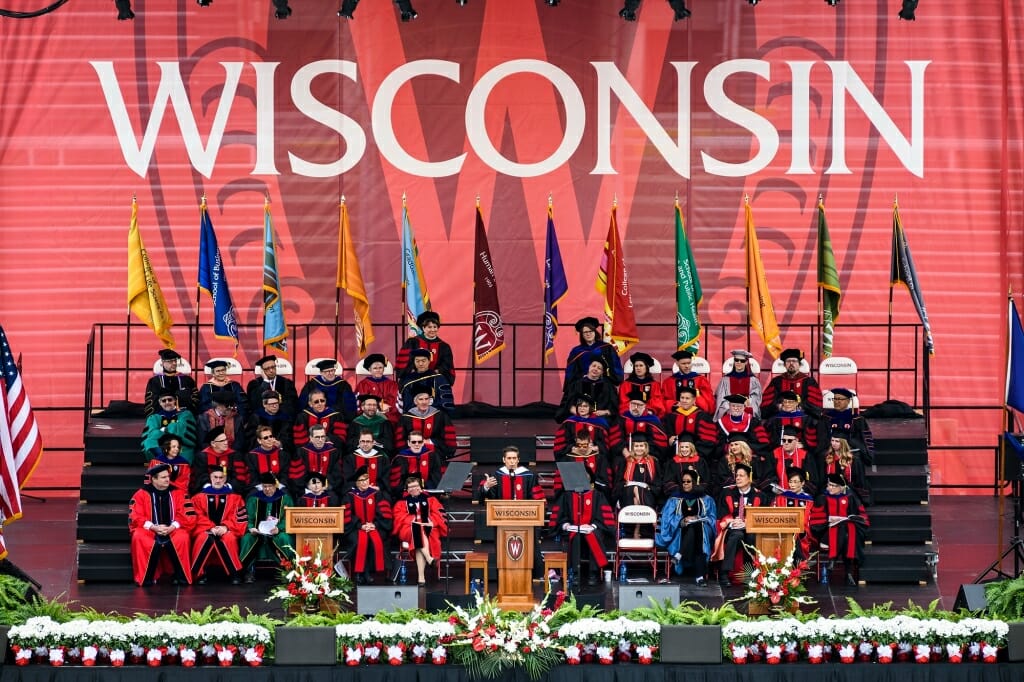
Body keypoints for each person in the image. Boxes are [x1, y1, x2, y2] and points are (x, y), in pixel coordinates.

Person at [129, 463, 195, 586]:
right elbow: (135, 516)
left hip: (173, 528)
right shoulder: (141, 494)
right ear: (154, 479)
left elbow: (187, 514)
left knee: (182, 537)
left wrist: (172, 526)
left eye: (168, 476)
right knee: (139, 536)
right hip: (150, 529)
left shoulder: (178, 493)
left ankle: (181, 577)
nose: (167, 479)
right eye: (163, 477)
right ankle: (146, 579)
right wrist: (153, 527)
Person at [553, 471, 615, 587]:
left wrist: (593, 526)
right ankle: (576, 574)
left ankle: (593, 573)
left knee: (593, 535)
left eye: (586, 478)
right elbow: (560, 515)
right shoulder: (567, 495)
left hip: (592, 528)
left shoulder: (597, 495)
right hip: (573, 529)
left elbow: (604, 517)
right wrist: (566, 525)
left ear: (590, 480)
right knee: (575, 536)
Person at [656, 471, 716, 585]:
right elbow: (667, 519)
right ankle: (700, 577)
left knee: (697, 526)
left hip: (702, 530)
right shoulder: (675, 499)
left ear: (695, 482)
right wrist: (681, 520)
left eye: (688, 481)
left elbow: (712, 518)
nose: (685, 484)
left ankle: (679, 554)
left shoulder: (706, 499)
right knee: (695, 529)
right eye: (683, 482)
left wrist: (698, 517)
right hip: (680, 530)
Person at [810, 473, 869, 587]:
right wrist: (828, 520)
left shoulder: (850, 497)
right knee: (844, 531)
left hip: (846, 531)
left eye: (833, 485)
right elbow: (815, 519)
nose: (829, 488)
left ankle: (833, 560)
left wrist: (850, 519)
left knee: (847, 529)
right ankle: (848, 573)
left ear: (841, 487)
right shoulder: (822, 498)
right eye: (829, 485)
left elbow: (861, 516)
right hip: (826, 533)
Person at [713, 463, 768, 586]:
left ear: (749, 478)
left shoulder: (760, 495)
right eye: (736, 476)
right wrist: (731, 522)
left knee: (751, 536)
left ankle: (750, 575)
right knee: (737, 535)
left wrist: (747, 523)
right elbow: (721, 513)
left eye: (741, 476)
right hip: (731, 529)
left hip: (751, 529)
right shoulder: (727, 492)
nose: (737, 478)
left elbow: (763, 517)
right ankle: (724, 573)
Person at [190, 466, 246, 585]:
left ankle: (233, 573)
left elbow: (238, 517)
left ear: (225, 479)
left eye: (221, 477)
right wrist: (210, 527)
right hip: (205, 529)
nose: (218, 480)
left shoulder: (235, 498)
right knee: (203, 538)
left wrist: (225, 527)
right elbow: (196, 516)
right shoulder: (198, 497)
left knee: (229, 538)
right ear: (210, 478)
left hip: (226, 530)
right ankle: (199, 573)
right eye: (215, 477)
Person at [393, 475, 448, 586]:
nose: (414, 488)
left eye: (416, 486)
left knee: (418, 541)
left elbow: (439, 513)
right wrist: (415, 520)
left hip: (428, 528)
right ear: (407, 490)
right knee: (417, 529)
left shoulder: (431, 500)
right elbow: (399, 517)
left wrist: (431, 521)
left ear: (421, 487)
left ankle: (421, 577)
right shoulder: (401, 503)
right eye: (410, 487)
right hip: (408, 529)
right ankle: (429, 558)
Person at [239, 473, 295, 582]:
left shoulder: (285, 498)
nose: (267, 489)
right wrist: (251, 528)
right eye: (265, 486)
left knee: (285, 538)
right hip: (257, 533)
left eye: (270, 486)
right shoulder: (254, 499)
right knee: (247, 538)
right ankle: (248, 571)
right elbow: (248, 517)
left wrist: (279, 528)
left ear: (275, 486)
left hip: (277, 532)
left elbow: (289, 517)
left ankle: (286, 570)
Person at [341, 466, 393, 585]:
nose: (364, 483)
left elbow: (383, 512)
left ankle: (368, 572)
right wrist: (360, 526)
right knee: (359, 540)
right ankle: (361, 573)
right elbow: (348, 515)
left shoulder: (377, 494)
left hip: (375, 526)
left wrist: (374, 524)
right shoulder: (349, 496)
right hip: (355, 528)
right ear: (356, 483)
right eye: (361, 480)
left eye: (366, 479)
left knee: (375, 539)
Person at [395, 311, 456, 386]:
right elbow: (405, 363)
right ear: (423, 328)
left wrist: (434, 372)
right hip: (415, 380)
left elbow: (447, 365)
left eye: (435, 327)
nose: (433, 330)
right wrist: (417, 372)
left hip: (435, 379)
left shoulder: (444, 346)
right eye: (429, 327)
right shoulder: (412, 342)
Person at [608, 390, 670, 462]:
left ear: (645, 406)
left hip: (647, 455)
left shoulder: (653, 420)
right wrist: (626, 453)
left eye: (639, 405)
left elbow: (658, 444)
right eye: (633, 404)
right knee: (618, 462)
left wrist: (642, 454)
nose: (636, 408)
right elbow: (615, 438)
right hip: (624, 454)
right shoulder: (622, 418)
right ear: (629, 404)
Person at [141, 388, 199, 463]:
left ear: (175, 400)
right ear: (160, 403)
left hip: (181, 446)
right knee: (149, 442)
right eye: (163, 401)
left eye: (170, 400)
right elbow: (152, 433)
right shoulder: (154, 417)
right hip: (161, 448)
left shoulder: (185, 414)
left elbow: (183, 431)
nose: (167, 402)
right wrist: (173, 428)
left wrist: (163, 430)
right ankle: (163, 462)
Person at [397, 389, 457, 461]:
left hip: (435, 452)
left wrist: (431, 441)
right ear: (415, 401)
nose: (424, 402)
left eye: (426, 399)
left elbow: (447, 438)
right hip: (411, 453)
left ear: (430, 401)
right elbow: (400, 439)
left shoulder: (440, 416)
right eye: (421, 399)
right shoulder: (406, 418)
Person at [762, 348, 823, 419]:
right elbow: (767, 404)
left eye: (794, 361)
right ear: (784, 365)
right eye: (788, 361)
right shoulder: (776, 382)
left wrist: (797, 406)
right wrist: (780, 406)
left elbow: (815, 405)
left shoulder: (809, 382)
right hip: (780, 418)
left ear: (799, 364)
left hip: (804, 418)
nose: (791, 363)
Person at [564, 316, 623, 386]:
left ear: (595, 332)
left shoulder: (606, 348)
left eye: (590, 331)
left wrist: (608, 379)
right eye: (585, 332)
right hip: (583, 385)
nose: (588, 334)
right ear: (582, 335)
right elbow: (571, 372)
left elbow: (615, 366)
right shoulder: (576, 351)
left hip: (603, 385)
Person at [663, 385, 718, 460]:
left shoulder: (702, 416)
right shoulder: (671, 416)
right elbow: (667, 434)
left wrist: (695, 454)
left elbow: (708, 439)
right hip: (676, 457)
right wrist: (669, 439)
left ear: (694, 400)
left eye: (687, 398)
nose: (684, 401)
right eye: (682, 398)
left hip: (697, 457)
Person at [556, 358, 618, 423]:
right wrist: (577, 412)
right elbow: (567, 403)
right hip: (577, 417)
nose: (595, 369)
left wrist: (605, 412)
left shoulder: (609, 387)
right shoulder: (576, 384)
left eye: (599, 368)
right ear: (589, 367)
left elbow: (614, 406)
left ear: (602, 372)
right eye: (593, 366)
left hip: (600, 418)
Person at [289, 423, 346, 495]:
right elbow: (296, 474)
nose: (320, 440)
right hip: (307, 490)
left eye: (323, 437)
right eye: (317, 437)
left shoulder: (334, 452)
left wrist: (325, 486)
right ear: (311, 438)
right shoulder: (301, 452)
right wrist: (310, 486)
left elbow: (338, 475)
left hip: (328, 489)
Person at [772, 467, 815, 560]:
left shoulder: (808, 499)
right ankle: (800, 564)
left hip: (802, 532)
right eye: (790, 482)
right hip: (783, 530)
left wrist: (799, 527)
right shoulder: (782, 497)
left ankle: (796, 564)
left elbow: (808, 518)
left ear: (802, 483)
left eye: (795, 482)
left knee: (796, 536)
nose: (792, 485)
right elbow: (775, 514)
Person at [826, 388, 875, 466]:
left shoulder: (857, 418)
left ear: (848, 401)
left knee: (857, 458)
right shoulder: (827, 417)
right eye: (835, 398)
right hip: (831, 449)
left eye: (840, 399)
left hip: (851, 448)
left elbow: (865, 438)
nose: (837, 401)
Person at [613, 433, 662, 511]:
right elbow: (618, 482)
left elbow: (657, 484)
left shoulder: (653, 461)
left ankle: (638, 521)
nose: (639, 448)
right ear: (632, 447)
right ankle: (646, 516)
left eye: (641, 446)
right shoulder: (625, 462)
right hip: (628, 494)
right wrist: (627, 485)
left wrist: (647, 487)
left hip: (647, 494)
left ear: (645, 447)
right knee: (632, 490)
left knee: (639, 492)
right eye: (636, 446)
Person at [713, 394, 770, 460]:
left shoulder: (753, 422)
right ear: (729, 406)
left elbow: (762, 442)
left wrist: (744, 449)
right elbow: (718, 446)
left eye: (739, 406)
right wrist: (730, 448)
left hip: (749, 455)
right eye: (733, 406)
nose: (736, 408)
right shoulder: (721, 423)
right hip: (728, 456)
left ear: (744, 407)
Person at [398, 349, 455, 413]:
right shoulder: (408, 380)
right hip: (414, 416)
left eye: (423, 361)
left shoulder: (439, 379)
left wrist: (432, 411)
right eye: (417, 361)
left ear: (429, 361)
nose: (420, 364)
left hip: (436, 415)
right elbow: (407, 403)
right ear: (414, 362)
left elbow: (446, 402)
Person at [144, 349, 199, 416]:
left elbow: (195, 397)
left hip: (183, 416)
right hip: (161, 416)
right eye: (170, 361)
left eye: (175, 360)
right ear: (163, 362)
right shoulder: (155, 381)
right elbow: (150, 403)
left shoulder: (187, 379)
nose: (174, 363)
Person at [191, 426, 243, 494]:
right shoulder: (202, 456)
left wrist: (228, 486)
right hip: (207, 489)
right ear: (213, 444)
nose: (226, 442)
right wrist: (210, 486)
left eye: (226, 439)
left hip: (230, 490)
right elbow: (200, 476)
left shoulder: (235, 455)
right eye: (222, 441)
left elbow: (239, 476)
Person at [388, 430, 443, 495]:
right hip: (406, 493)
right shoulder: (400, 458)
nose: (417, 444)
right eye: (413, 442)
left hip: (428, 491)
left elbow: (436, 477)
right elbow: (397, 483)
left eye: (420, 442)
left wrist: (424, 487)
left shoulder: (432, 456)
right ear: (408, 443)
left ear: (423, 443)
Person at [713, 350, 763, 419]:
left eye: (742, 361)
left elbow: (756, 397)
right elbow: (721, 398)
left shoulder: (753, 380)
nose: (739, 362)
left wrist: (748, 401)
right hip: (729, 405)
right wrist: (732, 405)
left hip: (747, 404)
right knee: (724, 408)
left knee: (753, 409)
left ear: (746, 362)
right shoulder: (725, 379)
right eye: (736, 360)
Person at [662, 350, 715, 415]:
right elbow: (664, 401)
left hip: (696, 415)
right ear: (677, 363)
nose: (687, 366)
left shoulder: (701, 380)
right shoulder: (669, 382)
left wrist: (696, 399)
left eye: (689, 363)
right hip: (675, 415)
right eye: (683, 364)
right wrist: (675, 404)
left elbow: (709, 403)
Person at [354, 353, 401, 423]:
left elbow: (395, 401)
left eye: (380, 368)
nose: (378, 370)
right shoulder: (363, 384)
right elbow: (360, 402)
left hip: (388, 416)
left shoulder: (392, 384)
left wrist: (387, 408)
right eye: (375, 368)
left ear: (383, 369)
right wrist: (378, 406)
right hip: (368, 415)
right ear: (370, 370)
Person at [618, 352, 667, 417]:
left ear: (646, 367)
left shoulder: (654, 385)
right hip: (630, 413)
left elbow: (657, 401)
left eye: (641, 365)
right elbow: (623, 402)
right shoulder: (626, 384)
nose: (638, 368)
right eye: (636, 366)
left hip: (648, 413)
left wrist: (645, 410)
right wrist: (634, 409)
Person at [197, 390, 245, 455]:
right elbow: (203, 441)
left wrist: (228, 453)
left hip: (232, 455)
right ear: (218, 406)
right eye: (227, 406)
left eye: (232, 405)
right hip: (209, 454)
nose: (230, 408)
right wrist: (215, 452)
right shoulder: (204, 418)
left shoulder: (237, 418)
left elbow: (239, 442)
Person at [771, 426, 817, 494]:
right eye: (784, 440)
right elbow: (767, 478)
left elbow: (812, 480)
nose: (786, 443)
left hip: (801, 496)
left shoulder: (806, 456)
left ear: (796, 441)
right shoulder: (774, 455)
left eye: (789, 440)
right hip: (779, 495)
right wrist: (775, 489)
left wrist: (801, 490)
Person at [344, 428, 391, 493]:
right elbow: (348, 480)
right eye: (363, 441)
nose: (365, 444)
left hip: (376, 493)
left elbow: (385, 480)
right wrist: (359, 487)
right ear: (359, 442)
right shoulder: (350, 459)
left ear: (373, 442)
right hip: (356, 492)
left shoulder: (382, 459)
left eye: (368, 441)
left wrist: (378, 487)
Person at [245, 425, 287, 494]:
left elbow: (284, 474)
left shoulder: (281, 454)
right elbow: (252, 476)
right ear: (259, 441)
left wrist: (277, 486)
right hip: (259, 487)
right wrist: (265, 488)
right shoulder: (252, 456)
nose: (269, 439)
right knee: (251, 497)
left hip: (278, 486)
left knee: (287, 495)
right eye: (265, 438)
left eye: (271, 436)